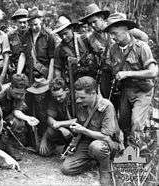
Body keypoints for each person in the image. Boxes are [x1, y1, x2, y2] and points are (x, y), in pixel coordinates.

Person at [104, 13, 158, 148]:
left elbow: (153, 72)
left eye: (115, 33)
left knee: (136, 123)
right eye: (111, 34)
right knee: (124, 123)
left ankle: (135, 159)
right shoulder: (113, 49)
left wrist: (128, 73)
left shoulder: (141, 47)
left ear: (126, 30)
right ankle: (129, 149)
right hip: (125, 91)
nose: (112, 37)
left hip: (142, 90)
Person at [79, 3, 149, 101]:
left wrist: (139, 56)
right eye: (90, 23)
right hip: (107, 73)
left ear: (102, 18)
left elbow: (143, 36)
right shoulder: (91, 38)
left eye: (95, 21)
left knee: (127, 101)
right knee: (109, 101)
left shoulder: (117, 27)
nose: (93, 25)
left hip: (125, 69)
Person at [61, 76, 123, 186]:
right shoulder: (82, 104)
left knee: (96, 147)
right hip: (87, 141)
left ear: (93, 93)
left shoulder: (106, 106)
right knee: (67, 169)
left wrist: (83, 130)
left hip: (107, 144)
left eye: (82, 97)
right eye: (78, 97)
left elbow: (105, 136)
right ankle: (93, 162)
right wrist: (74, 139)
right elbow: (81, 124)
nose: (78, 100)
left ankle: (105, 170)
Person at [0, 73, 39, 160]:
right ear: (11, 87)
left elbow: (17, 110)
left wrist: (28, 118)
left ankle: (11, 146)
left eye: (21, 94)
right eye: (16, 93)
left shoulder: (20, 93)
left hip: (8, 116)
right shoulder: (0, 93)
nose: (19, 96)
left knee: (18, 122)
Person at [17, 7, 55, 85]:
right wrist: (18, 74)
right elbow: (23, 54)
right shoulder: (26, 35)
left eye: (35, 24)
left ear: (40, 21)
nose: (33, 27)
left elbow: (52, 59)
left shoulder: (49, 36)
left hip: (43, 74)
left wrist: (49, 79)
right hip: (29, 75)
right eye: (31, 25)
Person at [39, 77, 76, 156]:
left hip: (77, 130)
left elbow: (78, 120)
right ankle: (59, 146)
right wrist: (60, 127)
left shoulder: (76, 99)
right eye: (55, 97)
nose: (58, 99)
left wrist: (60, 124)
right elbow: (49, 118)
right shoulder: (54, 100)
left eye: (60, 96)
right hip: (64, 129)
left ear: (66, 91)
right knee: (44, 152)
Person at [53, 15, 96, 83]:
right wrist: (59, 82)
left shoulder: (85, 39)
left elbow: (96, 54)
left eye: (65, 33)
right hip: (73, 80)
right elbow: (57, 69)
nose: (63, 37)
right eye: (61, 35)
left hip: (90, 78)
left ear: (71, 29)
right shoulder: (58, 49)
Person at [8, 9, 29, 76]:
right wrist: (9, 64)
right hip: (15, 68)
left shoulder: (31, 34)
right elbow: (7, 52)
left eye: (24, 22)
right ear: (16, 23)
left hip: (30, 69)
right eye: (20, 22)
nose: (22, 25)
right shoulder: (10, 35)